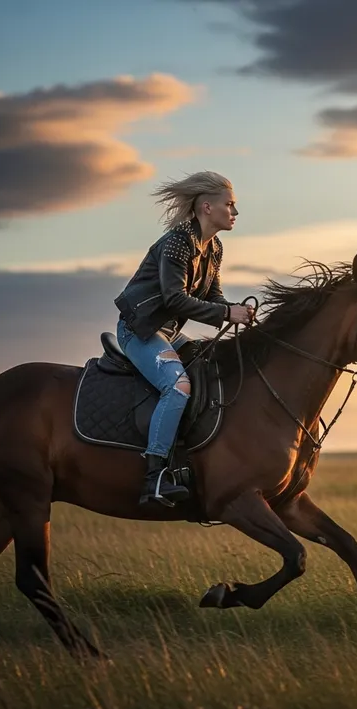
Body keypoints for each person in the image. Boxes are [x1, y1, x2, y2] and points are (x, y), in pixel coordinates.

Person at [114, 171, 255, 507]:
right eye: (229, 205)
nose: (235, 211)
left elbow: (213, 296)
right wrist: (226, 313)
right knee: (178, 386)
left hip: (169, 333)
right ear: (207, 207)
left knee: (208, 368)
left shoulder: (214, 247)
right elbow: (175, 298)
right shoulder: (178, 242)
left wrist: (234, 310)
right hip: (140, 331)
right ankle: (154, 477)